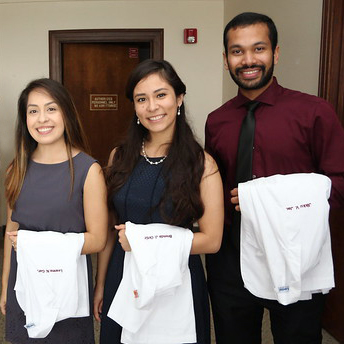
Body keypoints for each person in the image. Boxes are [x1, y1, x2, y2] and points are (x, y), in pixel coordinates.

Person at [205, 12, 344, 344]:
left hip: (297, 255)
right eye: (237, 51)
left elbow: (338, 182)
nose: (248, 60)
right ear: (225, 59)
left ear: (275, 53)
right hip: (231, 260)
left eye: (259, 48)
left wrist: (273, 198)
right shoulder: (217, 121)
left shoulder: (314, 112)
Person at [93, 59, 224, 344]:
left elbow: (212, 240)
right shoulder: (120, 156)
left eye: (161, 95)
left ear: (179, 98)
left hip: (177, 279)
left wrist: (142, 240)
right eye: (142, 99)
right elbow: (109, 231)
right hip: (123, 272)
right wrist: (101, 283)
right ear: (135, 107)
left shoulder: (202, 164)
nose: (152, 107)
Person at [0, 78, 108, 344]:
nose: (42, 119)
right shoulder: (16, 169)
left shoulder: (88, 170)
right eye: (33, 111)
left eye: (51, 109)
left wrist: (36, 245)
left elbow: (97, 239)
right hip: (23, 283)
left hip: (67, 287)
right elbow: (11, 232)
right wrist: (4, 285)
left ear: (66, 114)